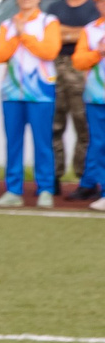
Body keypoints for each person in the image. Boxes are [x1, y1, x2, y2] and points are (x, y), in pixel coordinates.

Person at [0, 0, 61, 208]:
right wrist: (17, 35)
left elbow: (49, 51)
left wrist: (25, 36)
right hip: (11, 93)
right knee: (14, 143)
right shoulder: (8, 25)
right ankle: (13, 189)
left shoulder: (48, 22)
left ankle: (45, 189)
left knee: (42, 143)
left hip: (40, 93)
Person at [48, 0, 98, 199]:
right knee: (54, 125)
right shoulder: (56, 7)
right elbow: (52, 35)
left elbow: (87, 35)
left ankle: (84, 179)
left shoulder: (95, 8)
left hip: (83, 72)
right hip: (55, 68)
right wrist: (77, 32)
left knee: (84, 127)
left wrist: (67, 33)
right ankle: (53, 176)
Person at [76, 19, 105, 208]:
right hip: (96, 97)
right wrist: (98, 52)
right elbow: (79, 61)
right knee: (99, 144)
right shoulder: (90, 29)